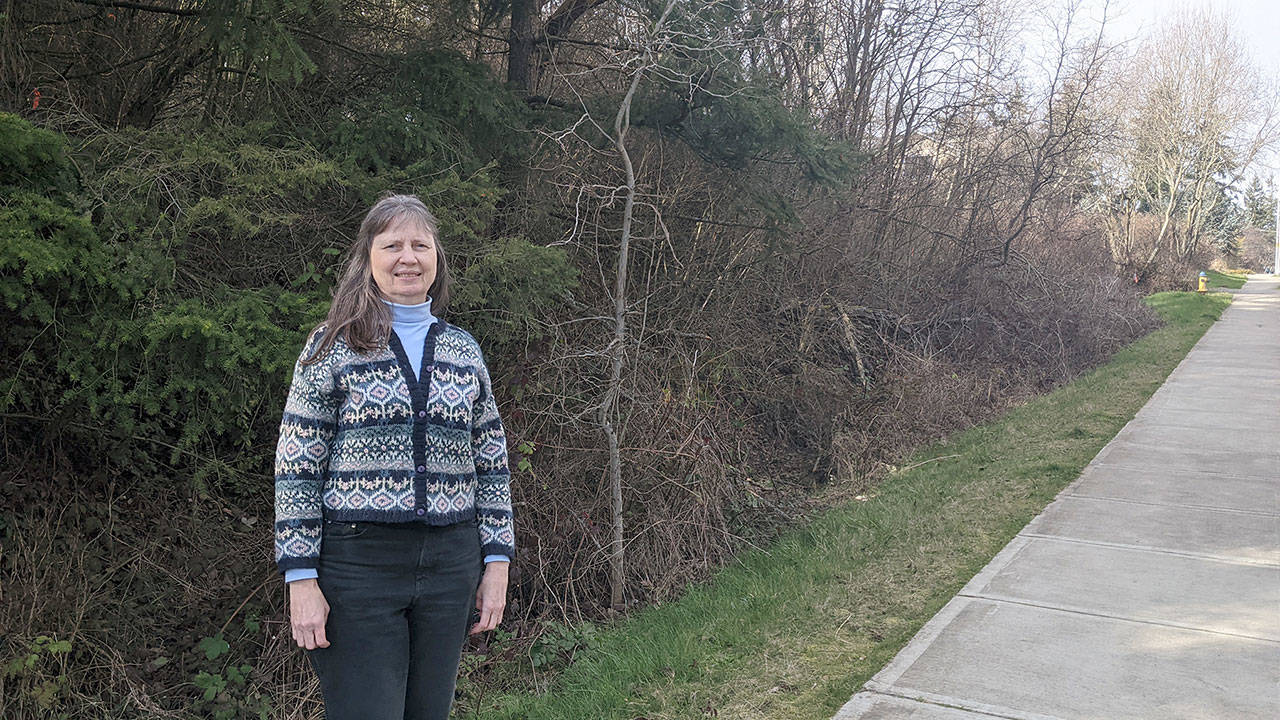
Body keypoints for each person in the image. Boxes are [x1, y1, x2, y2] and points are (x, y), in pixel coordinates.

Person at [273, 193, 515, 720]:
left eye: (420, 245)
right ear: (368, 258)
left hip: (452, 563)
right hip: (359, 566)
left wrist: (496, 563)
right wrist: (300, 578)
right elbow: (296, 466)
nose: (408, 256)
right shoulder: (331, 346)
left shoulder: (464, 350)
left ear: (436, 258)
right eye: (392, 245)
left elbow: (492, 461)